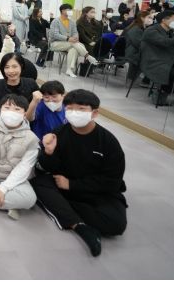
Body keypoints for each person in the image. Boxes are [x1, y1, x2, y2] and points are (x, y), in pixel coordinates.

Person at [31, 90, 127, 257]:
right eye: (70, 108)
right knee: (38, 184)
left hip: (96, 191)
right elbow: (46, 168)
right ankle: (80, 227)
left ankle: (66, 211)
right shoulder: (59, 133)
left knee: (116, 224)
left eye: (81, 109)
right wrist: (48, 152)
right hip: (63, 185)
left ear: (94, 113)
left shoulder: (108, 142)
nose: (74, 113)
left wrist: (72, 185)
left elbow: (112, 181)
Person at [140, 10, 174, 105]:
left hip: (169, 60)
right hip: (154, 62)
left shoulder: (170, 32)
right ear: (164, 20)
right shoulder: (152, 31)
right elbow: (166, 43)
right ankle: (160, 92)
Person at [0, 53, 40, 125]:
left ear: (21, 66)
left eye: (14, 66)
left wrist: (35, 101)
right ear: (3, 69)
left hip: (21, 127)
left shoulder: (31, 84)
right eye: (7, 67)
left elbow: (35, 113)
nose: (11, 71)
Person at [49, 4, 98, 77]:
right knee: (74, 44)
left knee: (73, 48)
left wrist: (75, 37)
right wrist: (68, 38)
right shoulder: (56, 21)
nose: (70, 11)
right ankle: (87, 56)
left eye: (71, 10)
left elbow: (75, 32)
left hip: (69, 43)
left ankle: (69, 70)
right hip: (55, 43)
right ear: (62, 11)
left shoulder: (72, 22)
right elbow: (55, 35)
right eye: (68, 10)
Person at [122, 10, 153, 80]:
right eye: (149, 17)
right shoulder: (136, 29)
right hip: (132, 54)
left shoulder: (141, 28)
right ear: (142, 18)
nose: (151, 20)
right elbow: (139, 44)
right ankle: (145, 80)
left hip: (135, 52)